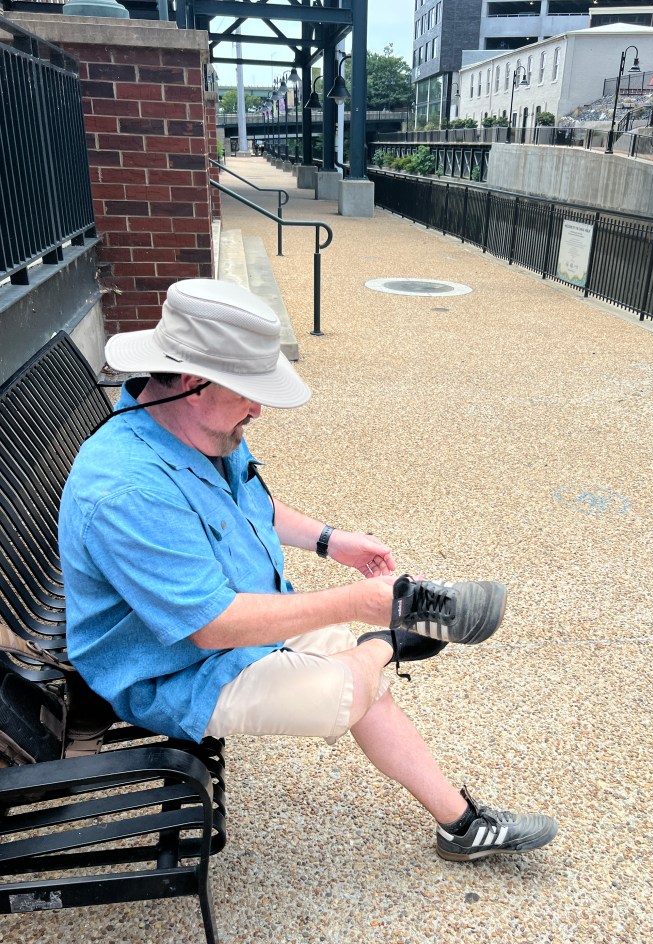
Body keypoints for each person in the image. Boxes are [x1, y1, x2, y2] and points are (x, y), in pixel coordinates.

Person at [59, 279, 558, 862]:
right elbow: (212, 627)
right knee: (340, 691)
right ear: (194, 384)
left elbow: (252, 505)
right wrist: (358, 603)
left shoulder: (200, 427)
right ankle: (388, 640)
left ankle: (461, 824)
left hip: (242, 616)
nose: (258, 409)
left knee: (361, 681)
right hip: (169, 671)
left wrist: (331, 541)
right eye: (249, 393)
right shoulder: (127, 491)